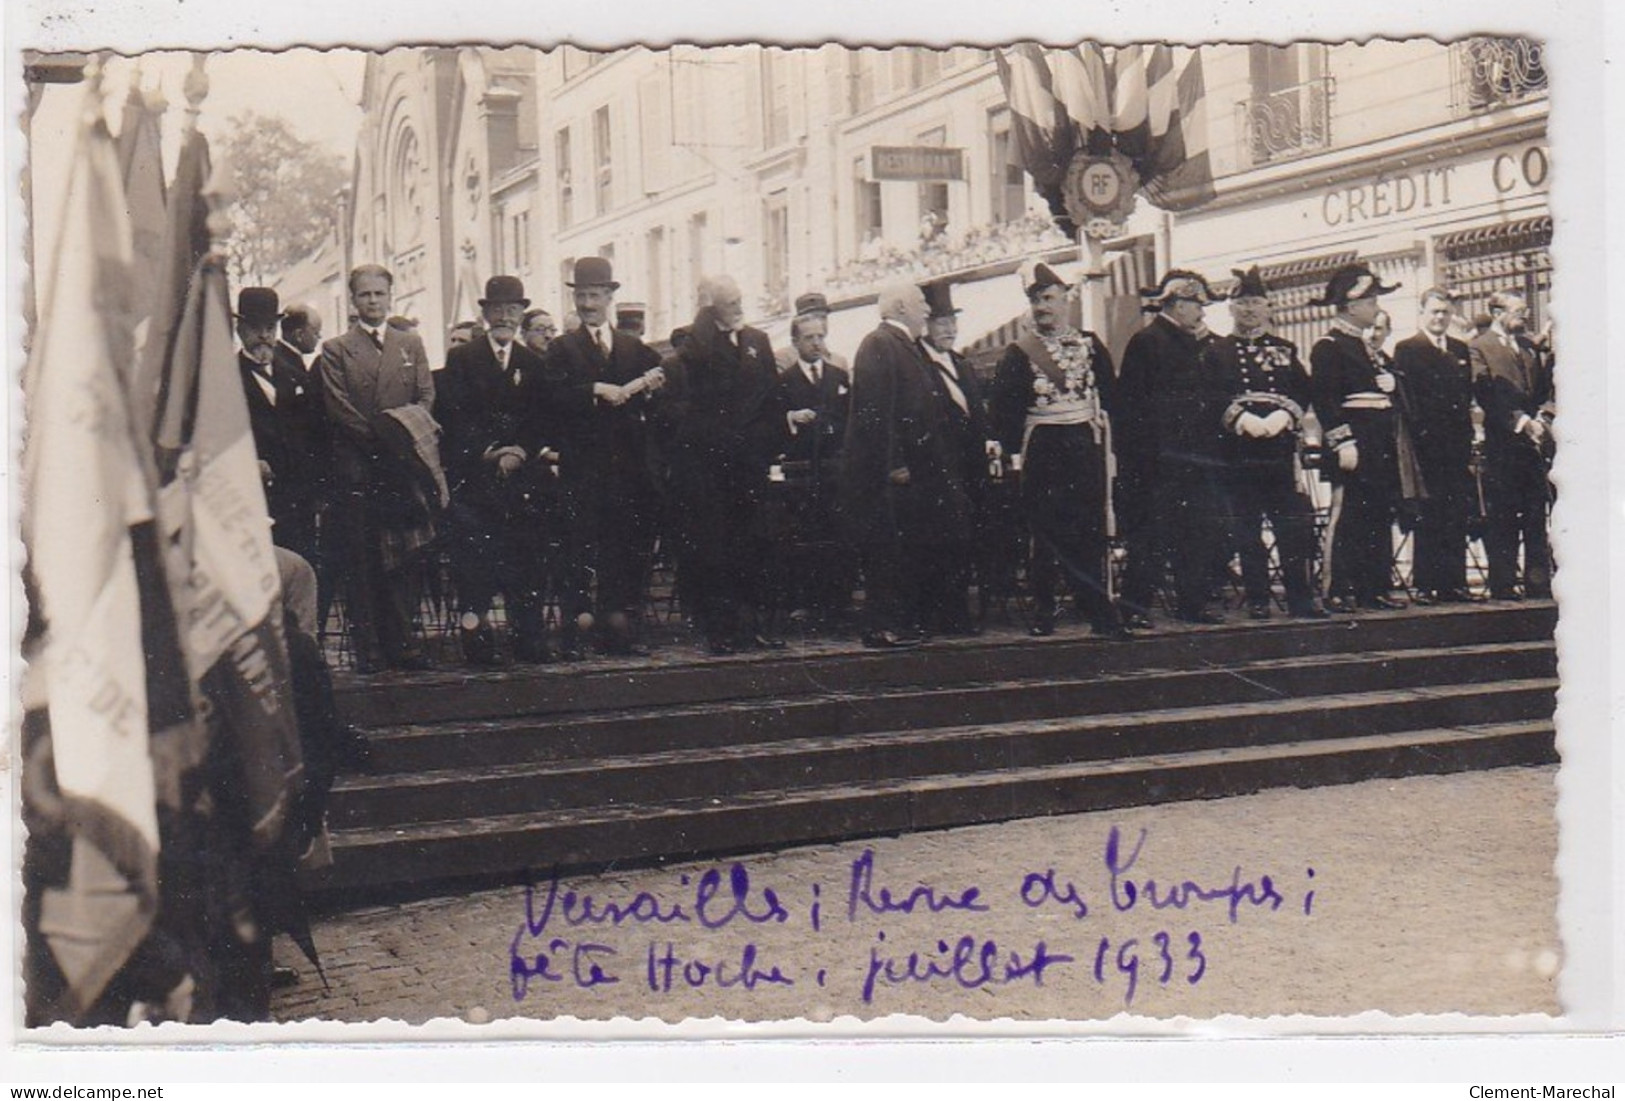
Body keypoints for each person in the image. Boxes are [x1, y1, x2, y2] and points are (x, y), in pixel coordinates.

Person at [988, 260, 1127, 638]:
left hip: (1084, 442)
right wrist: (1013, 456)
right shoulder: (1019, 353)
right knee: (1045, 534)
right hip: (1043, 446)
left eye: (1049, 298)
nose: (1043, 308)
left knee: (1089, 529)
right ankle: (1044, 610)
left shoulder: (1090, 345)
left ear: (1066, 300)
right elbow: (1004, 411)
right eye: (1036, 301)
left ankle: (1099, 611)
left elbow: (1112, 397)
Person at [539, 256, 667, 657]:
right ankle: (575, 633)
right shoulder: (561, 349)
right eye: (581, 295)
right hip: (583, 468)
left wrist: (652, 387)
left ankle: (617, 629)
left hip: (627, 470)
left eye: (594, 295)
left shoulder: (634, 348)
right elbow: (551, 398)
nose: (587, 304)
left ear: (610, 297)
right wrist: (594, 388)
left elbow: (661, 392)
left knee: (622, 548)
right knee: (578, 551)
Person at [317, 264, 437, 673]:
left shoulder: (410, 344)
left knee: (403, 556)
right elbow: (338, 407)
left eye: (379, 294)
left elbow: (425, 396)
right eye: (365, 295)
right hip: (359, 466)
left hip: (401, 465)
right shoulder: (336, 349)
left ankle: (403, 642)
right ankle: (369, 647)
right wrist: (378, 440)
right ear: (353, 300)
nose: (373, 301)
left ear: (391, 297)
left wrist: (401, 439)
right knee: (364, 558)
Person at [840, 282, 973, 649]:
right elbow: (874, 411)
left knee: (902, 551)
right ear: (900, 308)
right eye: (920, 304)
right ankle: (882, 626)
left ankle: (898, 622)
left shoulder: (903, 345)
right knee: (885, 551)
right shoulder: (878, 343)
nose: (927, 311)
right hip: (889, 477)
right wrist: (895, 463)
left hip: (911, 476)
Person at [660, 274, 787, 654]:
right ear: (712, 308)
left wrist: (765, 445)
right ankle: (721, 629)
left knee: (753, 544)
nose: (739, 308)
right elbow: (678, 409)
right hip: (709, 467)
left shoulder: (757, 342)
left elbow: (772, 398)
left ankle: (751, 625)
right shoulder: (695, 346)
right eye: (730, 303)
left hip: (749, 464)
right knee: (714, 549)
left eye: (739, 300)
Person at [434, 275, 557, 666]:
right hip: (478, 478)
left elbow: (541, 419)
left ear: (522, 314)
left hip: (521, 477)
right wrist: (489, 453)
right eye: (497, 309)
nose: (505, 317)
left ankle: (528, 637)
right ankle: (476, 637)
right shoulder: (462, 359)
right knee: (476, 564)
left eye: (513, 309)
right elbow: (455, 417)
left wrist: (521, 450)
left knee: (527, 560)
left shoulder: (532, 363)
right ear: (485, 314)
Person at [1203, 267, 1325, 620]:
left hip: (1278, 451)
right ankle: (1258, 598)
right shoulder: (1217, 352)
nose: (1249, 310)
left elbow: (1303, 389)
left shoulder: (1285, 349)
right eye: (1242, 303)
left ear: (1269, 307)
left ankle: (1300, 598)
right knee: (1248, 530)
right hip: (1239, 452)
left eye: (1256, 302)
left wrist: (1286, 415)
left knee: (1292, 528)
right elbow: (1210, 396)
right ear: (1230, 309)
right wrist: (1240, 419)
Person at [1116, 269, 1226, 626]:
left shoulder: (1197, 343)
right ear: (1178, 305)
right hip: (1157, 463)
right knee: (1150, 537)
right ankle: (1135, 608)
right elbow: (1131, 408)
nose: (1202, 314)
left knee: (1195, 534)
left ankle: (1191, 604)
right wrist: (1140, 460)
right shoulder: (1147, 342)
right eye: (1197, 306)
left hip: (1194, 459)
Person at [1308, 262, 1407, 613]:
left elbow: (1387, 394)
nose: (1376, 307)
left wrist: (1394, 386)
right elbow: (1325, 399)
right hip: (1353, 442)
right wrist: (1342, 441)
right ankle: (1336, 588)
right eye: (1370, 301)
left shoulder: (1369, 347)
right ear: (1351, 305)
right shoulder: (1329, 346)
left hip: (1378, 442)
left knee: (1378, 514)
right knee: (1347, 515)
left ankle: (1374, 588)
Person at [916, 278, 996, 636]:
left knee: (967, 540)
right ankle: (940, 613)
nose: (949, 328)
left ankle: (960, 610)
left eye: (952, 321)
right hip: (937, 469)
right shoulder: (917, 365)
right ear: (925, 324)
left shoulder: (961, 364)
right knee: (939, 542)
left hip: (969, 468)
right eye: (940, 321)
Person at [1392, 287, 1477, 604]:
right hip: (1425, 446)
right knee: (1428, 513)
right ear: (1422, 313)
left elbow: (1465, 397)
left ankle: (1454, 583)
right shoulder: (1407, 348)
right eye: (1434, 311)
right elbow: (1407, 401)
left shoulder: (1459, 349)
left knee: (1455, 512)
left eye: (1445, 311)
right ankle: (1426, 584)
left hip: (1455, 445)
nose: (1440, 317)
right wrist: (1419, 440)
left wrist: (1467, 438)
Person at [1469, 290, 1554, 600]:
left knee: (1535, 514)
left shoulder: (1529, 347)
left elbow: (1545, 389)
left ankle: (1537, 582)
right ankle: (1503, 584)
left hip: (1533, 447)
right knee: (1503, 516)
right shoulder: (1479, 348)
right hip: (1502, 446)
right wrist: (1521, 422)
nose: (1526, 315)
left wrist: (1543, 418)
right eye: (1519, 310)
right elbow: (1487, 393)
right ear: (1497, 312)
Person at [236, 288, 327, 574]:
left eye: (269, 327)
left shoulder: (295, 374)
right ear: (239, 329)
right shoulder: (226, 377)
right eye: (255, 328)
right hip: (252, 498)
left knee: (299, 570)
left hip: (297, 497)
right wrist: (246, 463)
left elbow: (316, 432)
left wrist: (316, 486)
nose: (263, 336)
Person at [776, 307, 854, 628]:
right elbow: (775, 418)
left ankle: (837, 601)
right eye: (809, 338)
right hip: (802, 467)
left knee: (837, 531)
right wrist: (793, 417)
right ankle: (804, 600)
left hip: (834, 466)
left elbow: (850, 416)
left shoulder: (838, 376)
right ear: (796, 342)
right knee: (804, 531)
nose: (816, 343)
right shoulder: (785, 380)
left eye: (820, 336)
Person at [775, 292, 850, 372]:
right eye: (813, 317)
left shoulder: (838, 361)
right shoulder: (784, 358)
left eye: (823, 317)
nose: (820, 323)